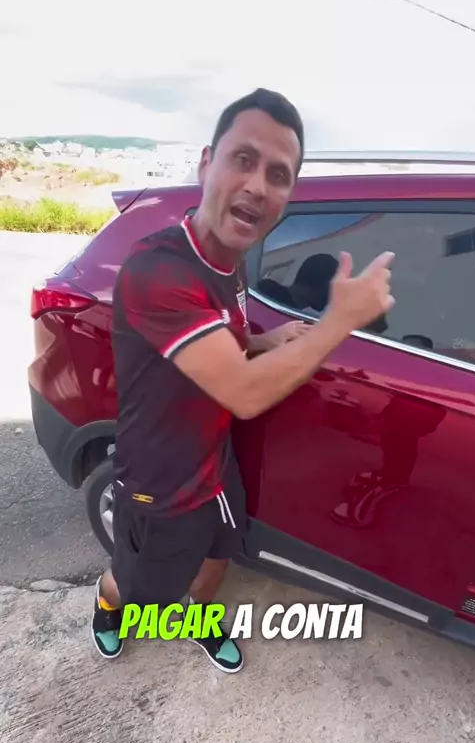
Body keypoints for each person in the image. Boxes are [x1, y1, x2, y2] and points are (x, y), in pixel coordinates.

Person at [90, 87, 395, 672]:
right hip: (159, 480)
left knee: (216, 558)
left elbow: (221, 336)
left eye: (278, 174)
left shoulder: (228, 262)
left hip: (213, 461)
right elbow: (244, 392)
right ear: (207, 163)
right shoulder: (157, 269)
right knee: (142, 589)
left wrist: (258, 342)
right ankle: (108, 605)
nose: (258, 185)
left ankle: (201, 620)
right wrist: (342, 320)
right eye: (244, 159)